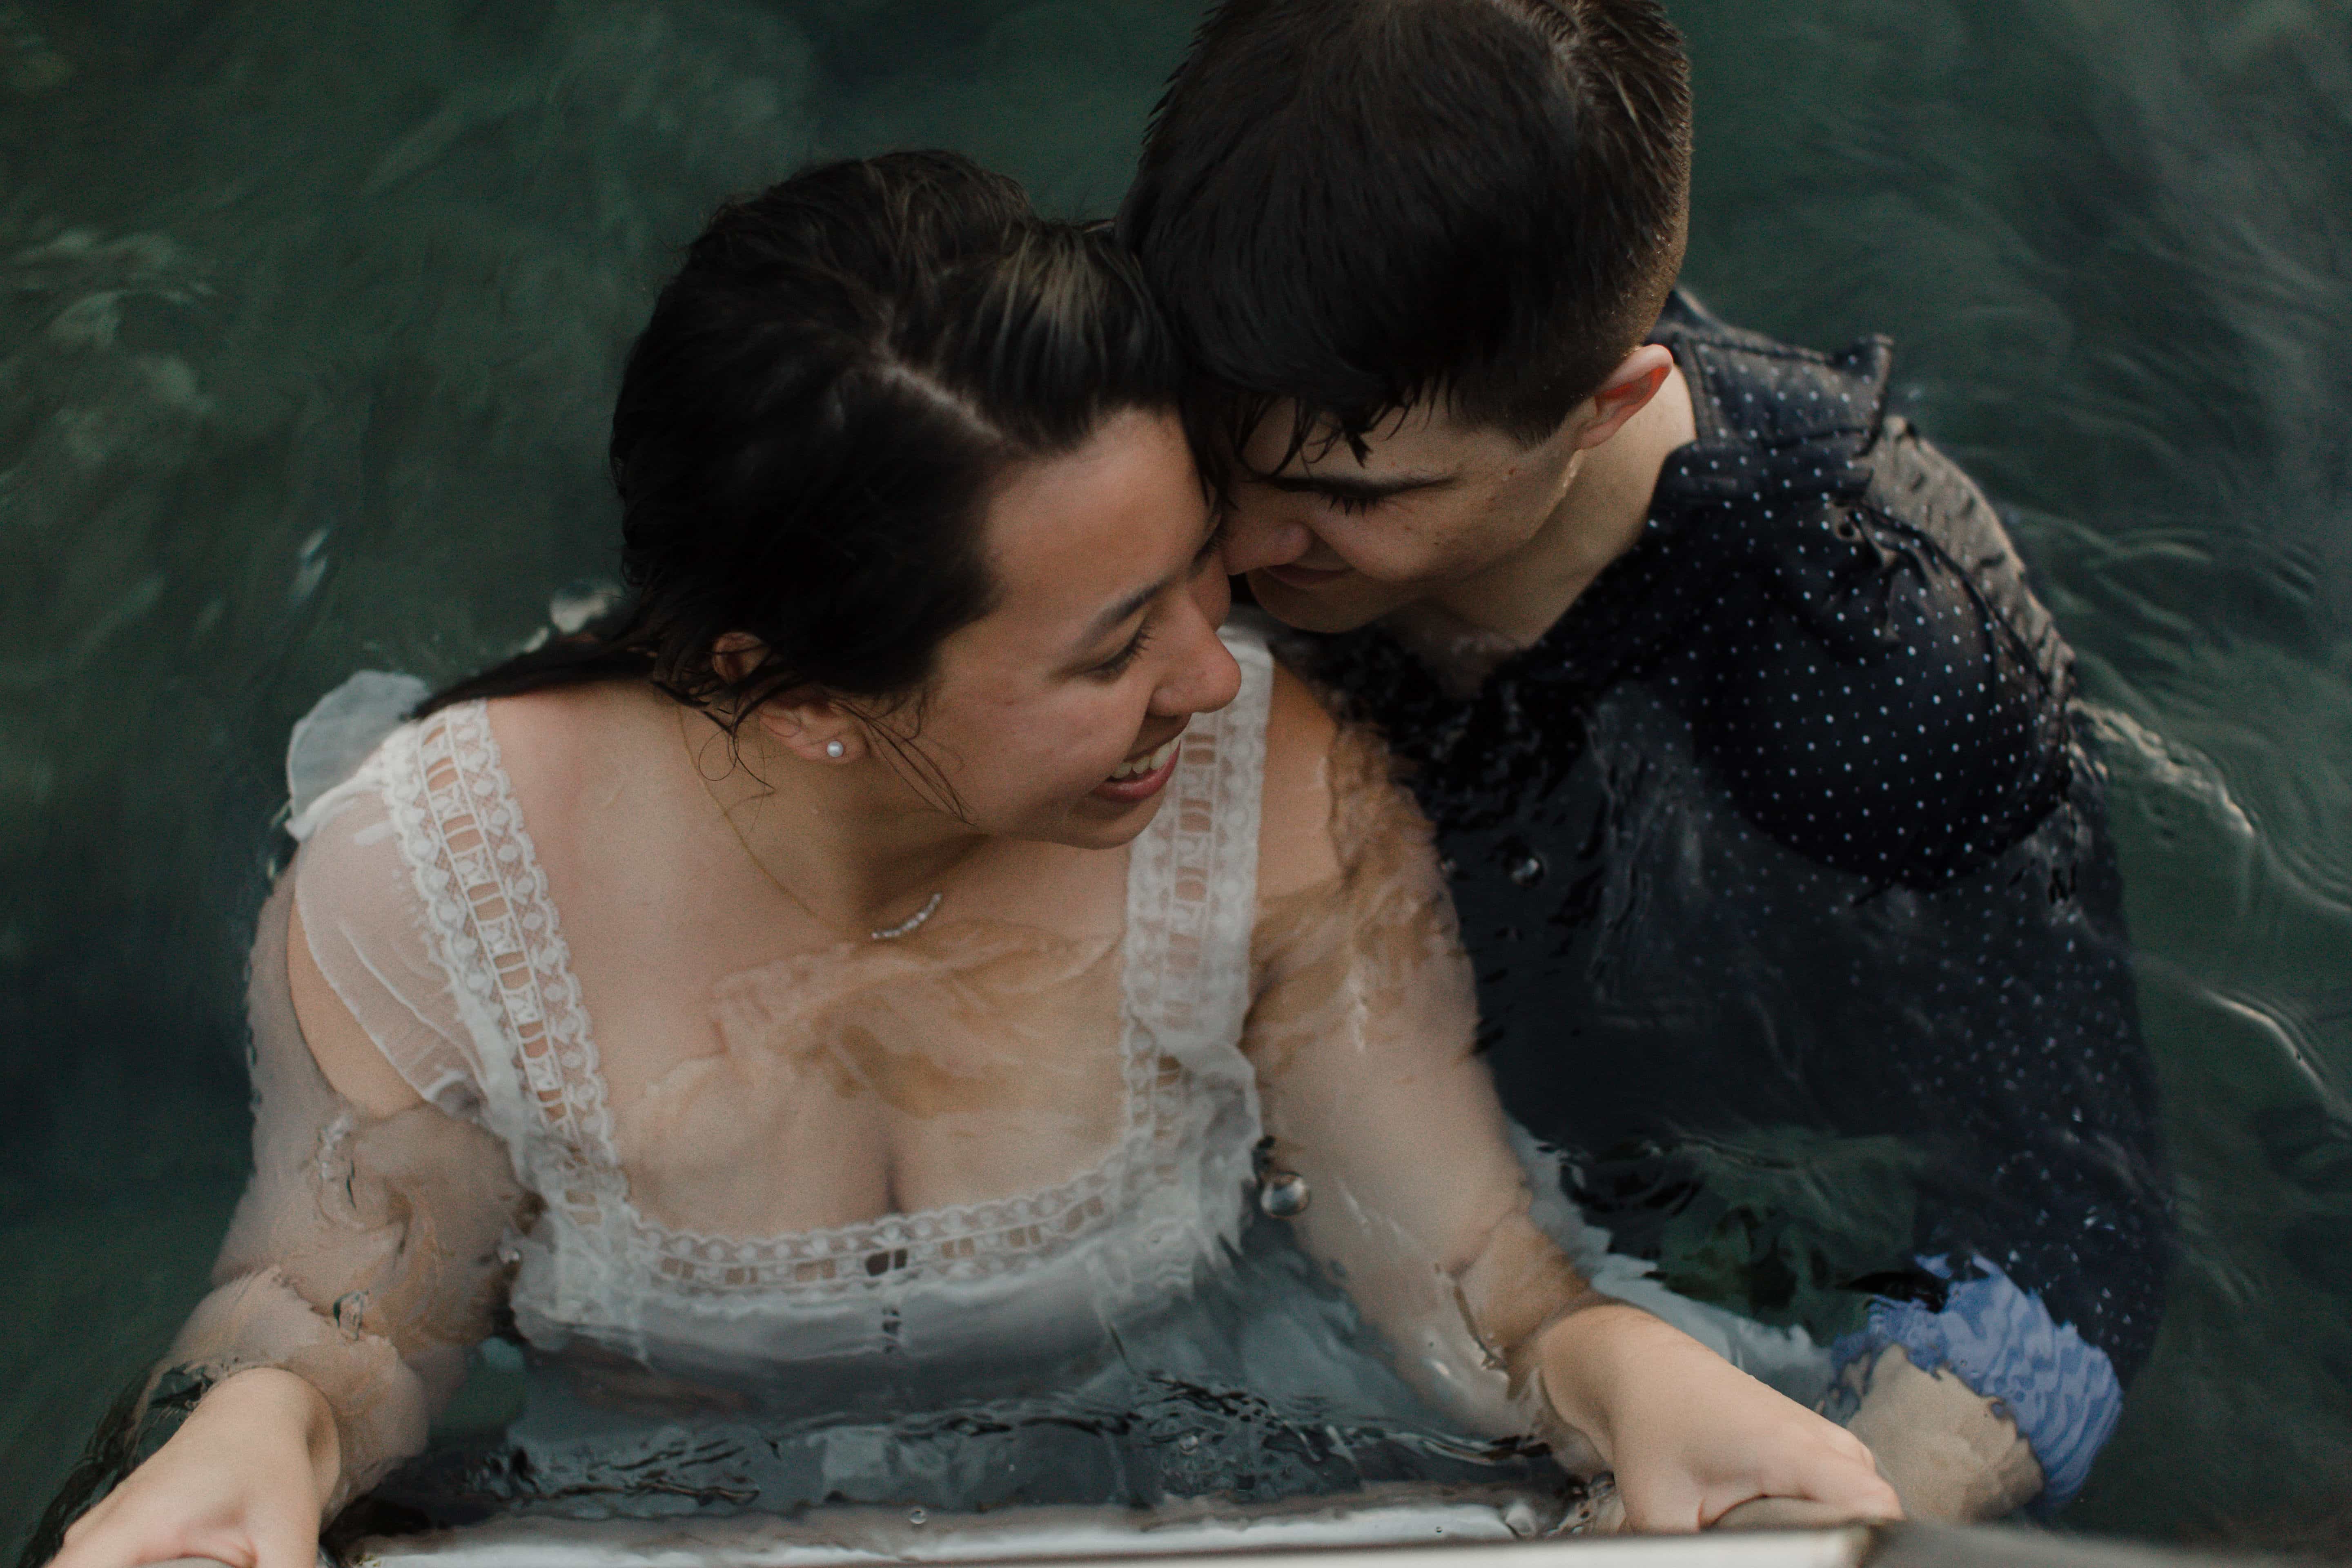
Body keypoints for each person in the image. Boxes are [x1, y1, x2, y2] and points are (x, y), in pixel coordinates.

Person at [41, 153, 1898, 1568]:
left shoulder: (1279, 801)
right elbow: (342, 1308)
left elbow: (1476, 1272)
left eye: (1202, 566)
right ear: (798, 697)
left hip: (1194, 1492)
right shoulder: (436, 888)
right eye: (1110, 648)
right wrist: (259, 1431)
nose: (1214, 671)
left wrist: (1603, 1373)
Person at [1118, 0, 2171, 1524]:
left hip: (1671, 1204)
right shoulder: (1225, 338)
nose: (1233, 550)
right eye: (1208, 455)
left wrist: (1834, 1507)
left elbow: (2074, 1209)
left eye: (1337, 501)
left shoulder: (1869, 676)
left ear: (1606, 402)